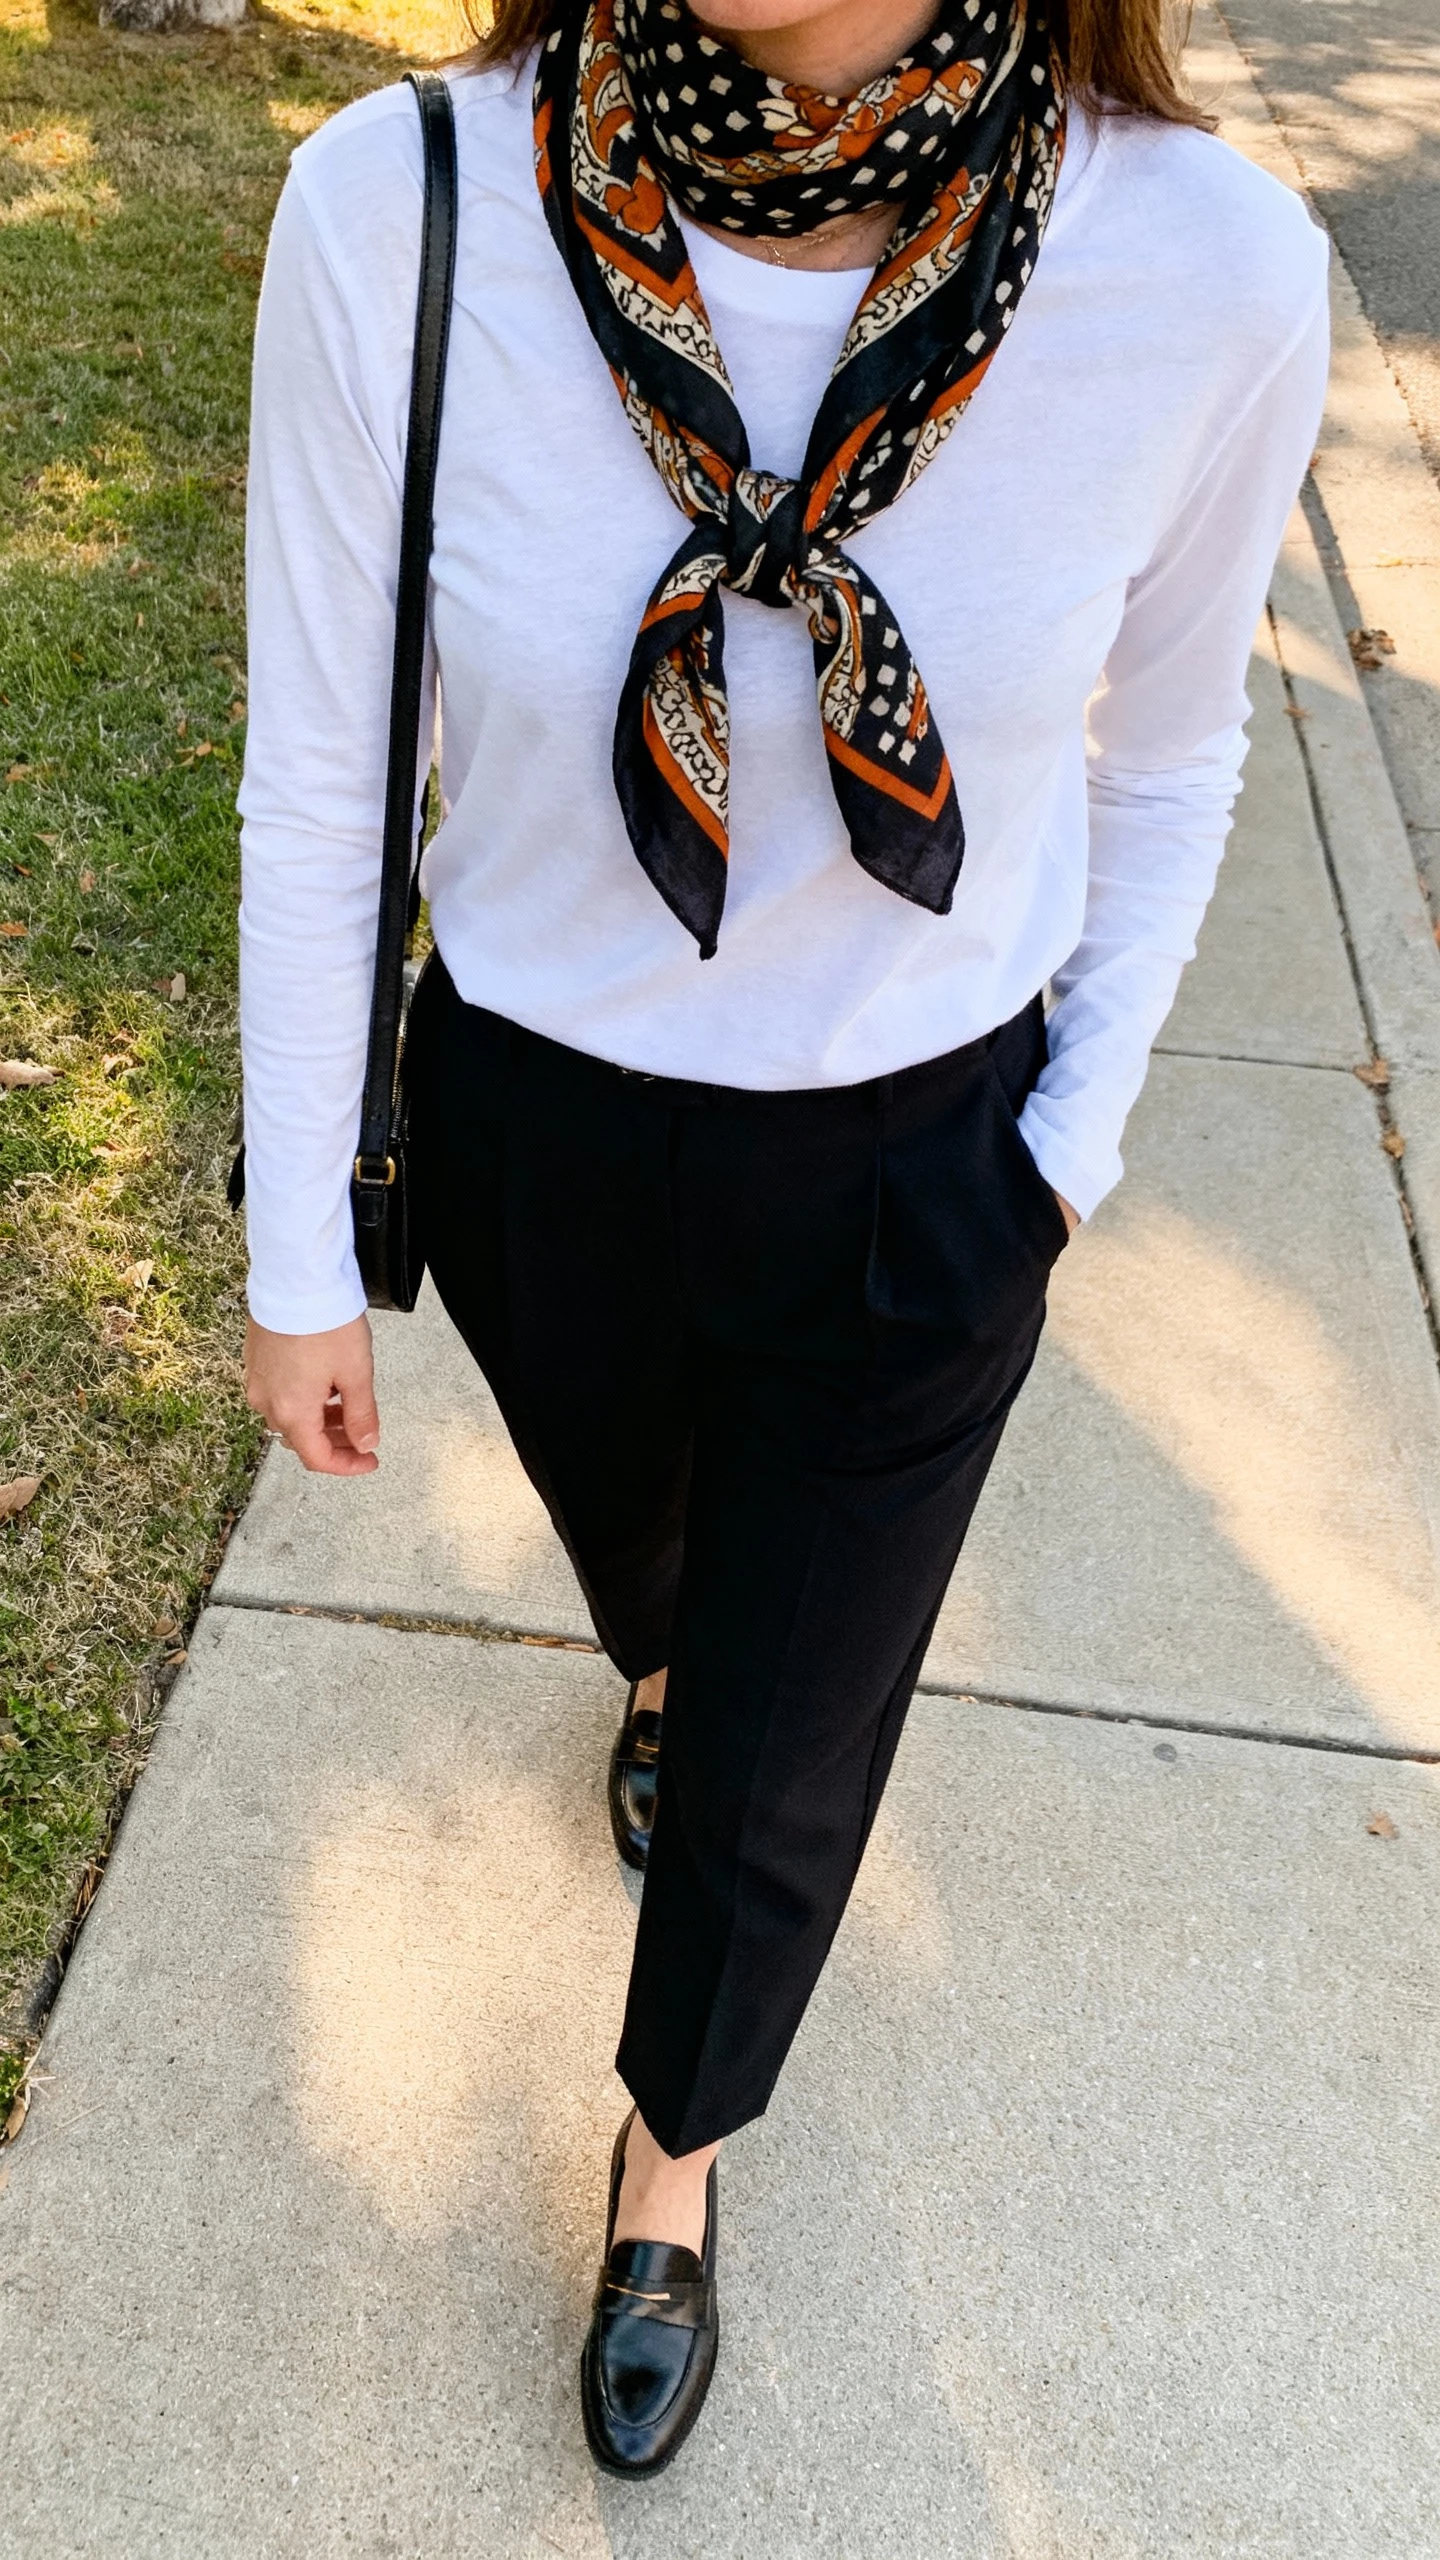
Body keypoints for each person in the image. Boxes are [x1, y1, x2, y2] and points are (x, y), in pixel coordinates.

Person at [237, 0, 1329, 2477]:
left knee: (786, 1734)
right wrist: (302, 1222)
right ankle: (653, 1667)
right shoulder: (402, 208)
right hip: (539, 1126)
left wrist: (1072, 1137)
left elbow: (1173, 750)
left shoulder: (1208, 266)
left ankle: (676, 2152)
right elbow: (318, 748)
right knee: (662, 1587)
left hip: (929, 1151)